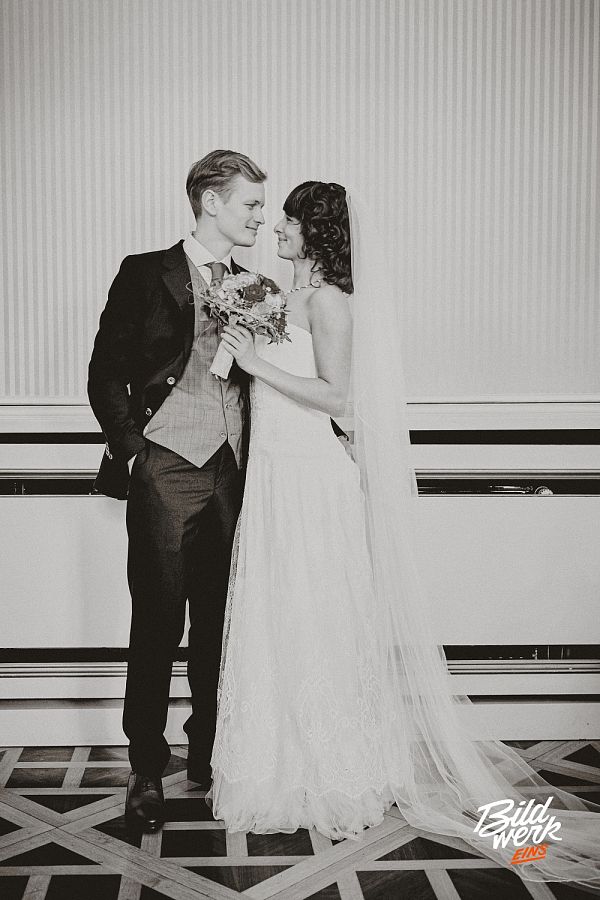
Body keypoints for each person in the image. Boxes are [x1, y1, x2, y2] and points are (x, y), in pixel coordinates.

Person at [207, 181, 600, 888]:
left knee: (320, 614)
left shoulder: (330, 302)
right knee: (280, 614)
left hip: (311, 481)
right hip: (271, 478)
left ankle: (336, 770)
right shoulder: (280, 296)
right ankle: (281, 766)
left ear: (315, 232)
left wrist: (255, 362)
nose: (278, 228)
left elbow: (339, 396)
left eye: (288, 220)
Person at [87, 149, 266, 831]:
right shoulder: (144, 273)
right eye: (250, 203)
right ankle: (145, 770)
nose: (259, 217)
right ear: (211, 202)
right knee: (158, 623)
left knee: (221, 625)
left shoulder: (255, 286)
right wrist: (134, 453)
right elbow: (104, 372)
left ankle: (209, 754)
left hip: (231, 471)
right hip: (164, 465)